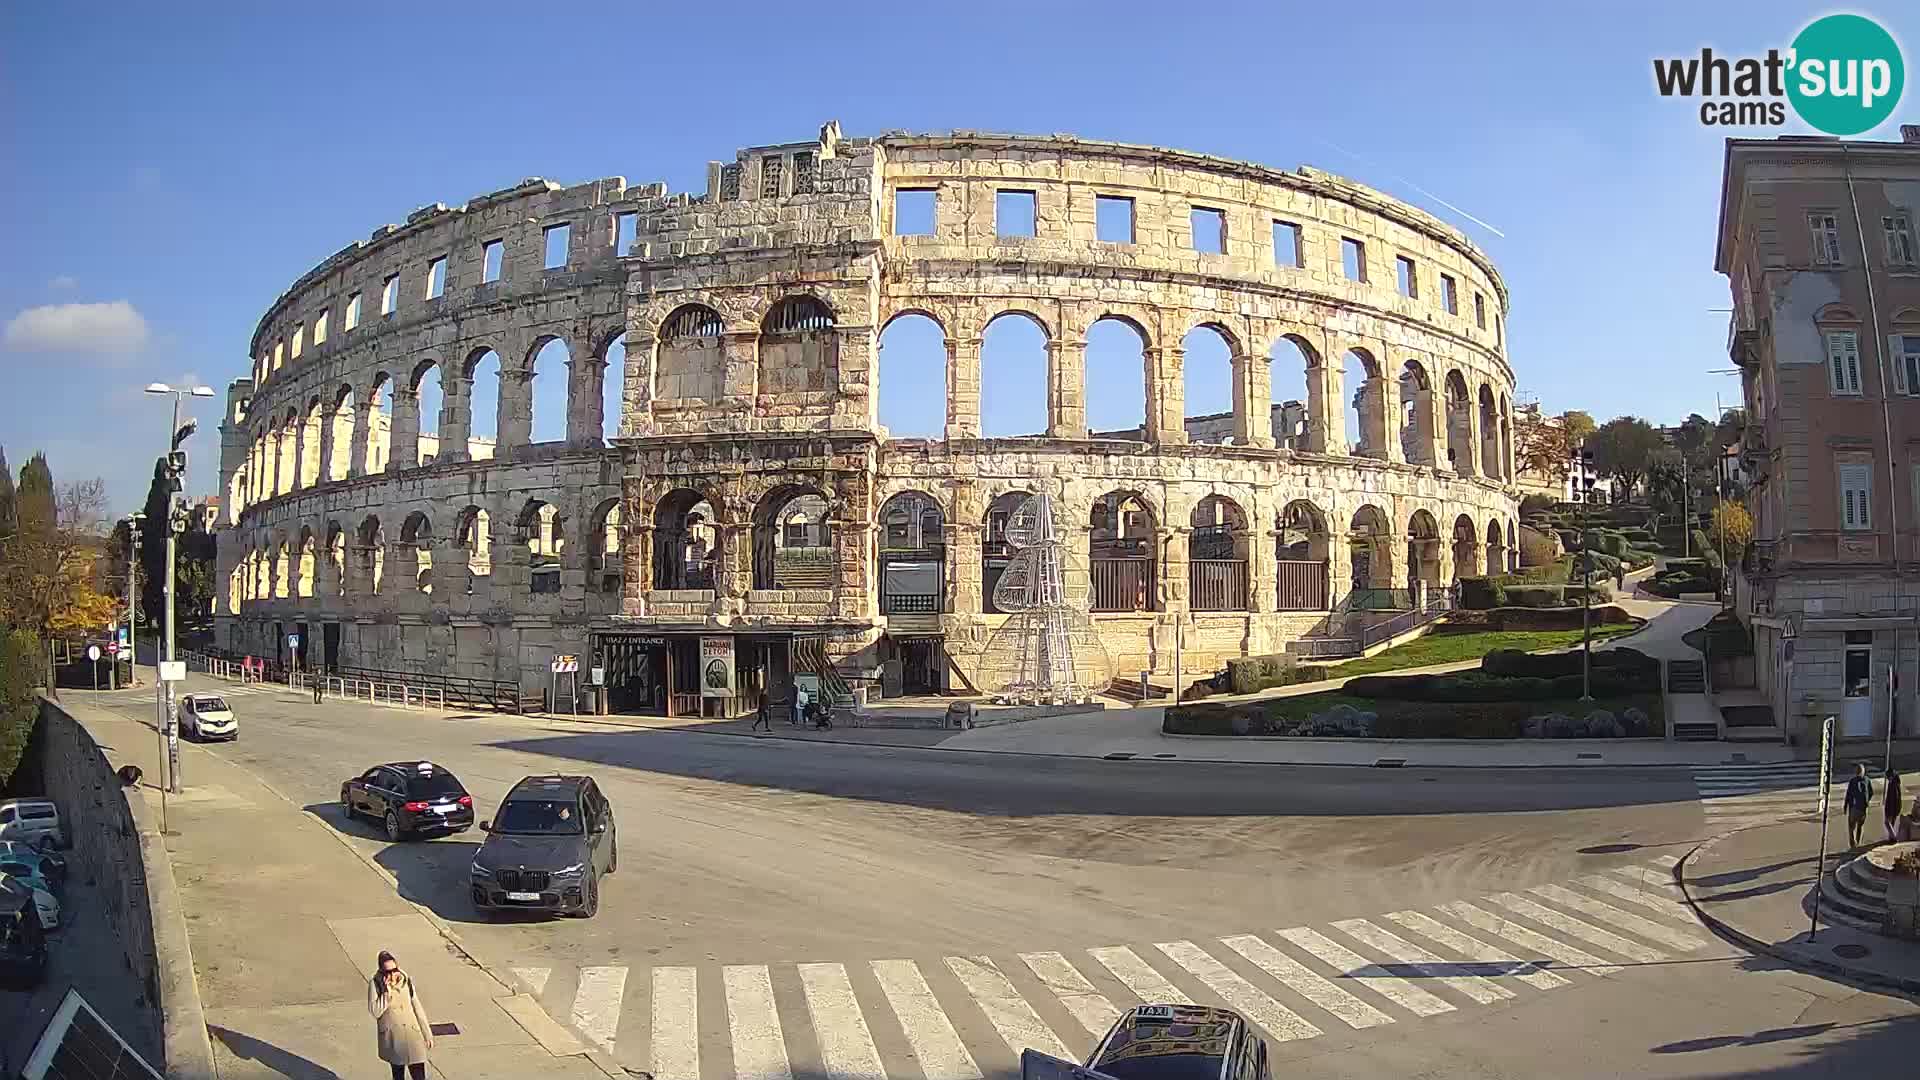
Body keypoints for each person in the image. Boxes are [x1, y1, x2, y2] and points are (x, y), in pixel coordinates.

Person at [368, 950, 434, 1080]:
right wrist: (386, 993)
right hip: (393, 1038)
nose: (392, 974)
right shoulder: (375, 983)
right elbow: (375, 1011)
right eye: (388, 971)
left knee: (419, 1075)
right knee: (398, 1076)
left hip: (412, 1035)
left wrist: (427, 1033)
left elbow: (417, 1007)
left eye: (394, 969)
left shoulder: (405, 980)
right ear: (381, 971)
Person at [1844, 763, 1872, 849]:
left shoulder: (1853, 781)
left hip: (1854, 808)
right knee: (1860, 826)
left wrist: (1845, 806)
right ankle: (1858, 843)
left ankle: (1853, 844)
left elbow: (1848, 795)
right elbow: (1871, 792)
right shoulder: (1867, 780)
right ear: (1863, 772)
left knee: (1851, 827)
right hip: (1863, 808)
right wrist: (1867, 801)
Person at [1885, 768, 1905, 844]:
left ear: (1891, 776)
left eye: (1888, 777)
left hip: (1892, 809)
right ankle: (1891, 838)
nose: (1887, 779)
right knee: (1891, 824)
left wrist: (1890, 811)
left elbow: (1893, 798)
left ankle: (1894, 838)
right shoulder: (1895, 782)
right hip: (1895, 808)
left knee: (1887, 823)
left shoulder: (1893, 785)